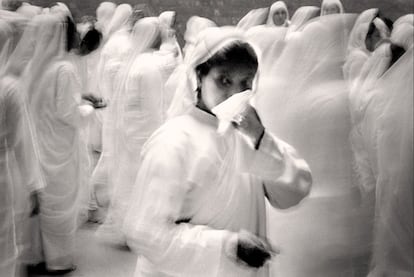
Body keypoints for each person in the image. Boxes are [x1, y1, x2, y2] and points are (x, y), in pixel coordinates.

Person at [123, 26, 312, 277]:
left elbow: (294, 191)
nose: (235, 93)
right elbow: (145, 231)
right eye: (224, 80)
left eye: (245, 83)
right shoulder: (174, 141)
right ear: (198, 78)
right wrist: (228, 246)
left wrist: (261, 138)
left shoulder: (247, 136)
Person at [22, 13, 92, 274]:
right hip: (59, 145)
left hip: (38, 142)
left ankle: (36, 255)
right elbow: (68, 113)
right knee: (60, 204)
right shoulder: (63, 68)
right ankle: (59, 261)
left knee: (41, 203)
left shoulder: (33, 65)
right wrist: (88, 109)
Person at [97, 17, 163, 245]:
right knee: (140, 185)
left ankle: (126, 229)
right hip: (143, 135)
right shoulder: (148, 66)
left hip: (128, 134)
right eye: (158, 32)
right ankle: (136, 232)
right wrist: (159, 135)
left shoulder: (132, 63)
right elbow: (154, 107)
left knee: (127, 183)